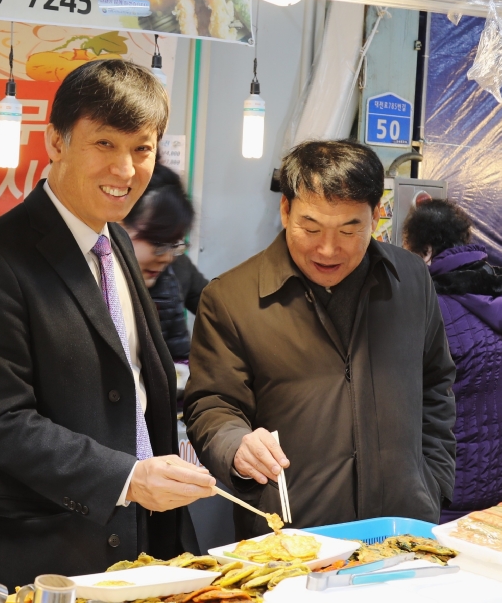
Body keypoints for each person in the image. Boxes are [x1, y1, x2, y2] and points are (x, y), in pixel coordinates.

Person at [0, 59, 216, 590]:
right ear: (56, 142)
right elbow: (2, 423)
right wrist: (128, 478)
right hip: (51, 552)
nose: (125, 169)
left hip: (143, 546)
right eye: (104, 145)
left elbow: (135, 383)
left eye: (142, 149)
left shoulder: (113, 241)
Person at [184, 140, 457, 539]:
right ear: (285, 211)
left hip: (405, 532)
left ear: (376, 217)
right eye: (310, 228)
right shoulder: (231, 299)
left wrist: (432, 484)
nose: (328, 249)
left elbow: (436, 385)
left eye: (350, 229)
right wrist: (236, 445)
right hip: (289, 543)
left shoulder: (412, 279)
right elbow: (211, 404)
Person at [402, 198, 502, 523]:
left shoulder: (432, 305)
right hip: (492, 473)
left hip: (445, 477)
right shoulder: (499, 294)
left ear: (425, 251)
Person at [121, 164, 207, 361]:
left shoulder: (177, 267)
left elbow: (217, 308)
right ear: (120, 224)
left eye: (174, 244)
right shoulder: (92, 282)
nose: (167, 257)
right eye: (157, 242)